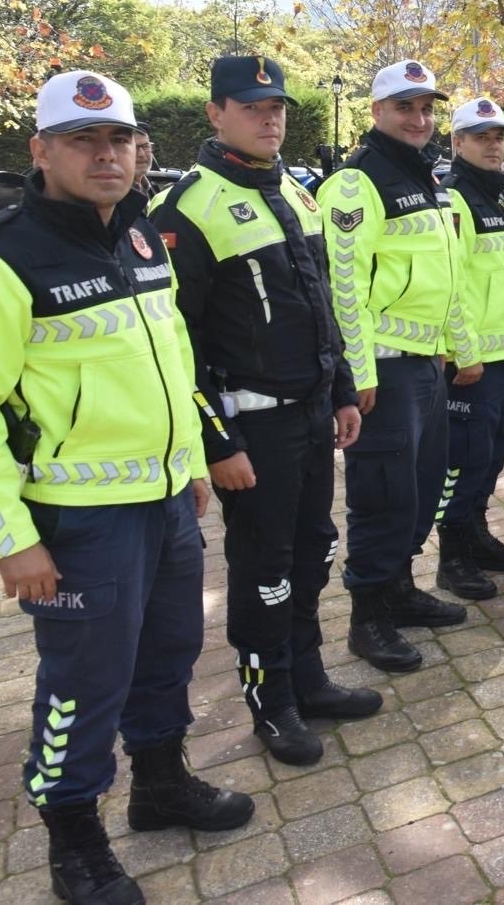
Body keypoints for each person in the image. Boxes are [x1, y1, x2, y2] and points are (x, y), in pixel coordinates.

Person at [0, 71, 252, 904]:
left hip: (164, 501)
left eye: (119, 139)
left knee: (168, 655)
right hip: (79, 521)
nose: (106, 156)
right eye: (84, 141)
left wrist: (191, 461)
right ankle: (73, 836)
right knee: (84, 683)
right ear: (41, 151)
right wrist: (11, 540)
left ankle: (160, 784)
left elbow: (171, 359)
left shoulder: (139, 237)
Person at [149, 55, 380, 768]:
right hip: (252, 427)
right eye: (252, 107)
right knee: (263, 568)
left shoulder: (295, 191)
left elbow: (322, 303)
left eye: (276, 105)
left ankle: (306, 678)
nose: (270, 117)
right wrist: (215, 443)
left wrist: (341, 388)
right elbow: (175, 345)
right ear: (216, 113)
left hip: (312, 415)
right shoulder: (187, 209)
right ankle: (270, 702)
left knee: (313, 552)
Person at [319, 60, 477, 674]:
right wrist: (359, 374)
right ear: (377, 111)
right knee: (381, 497)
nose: (419, 119)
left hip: (425, 365)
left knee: (421, 487)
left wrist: (458, 347)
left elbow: (447, 274)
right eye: (405, 107)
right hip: (382, 370)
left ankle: (400, 589)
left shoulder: (429, 180)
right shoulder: (357, 185)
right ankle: (368, 617)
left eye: (427, 108)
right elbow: (344, 287)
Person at [435, 96, 504, 597]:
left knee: (491, 453)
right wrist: (463, 352)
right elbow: (451, 282)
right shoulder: (454, 198)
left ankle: (475, 533)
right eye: (481, 137)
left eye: (498, 137)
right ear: (457, 144)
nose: (493, 145)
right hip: (474, 361)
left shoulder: (496, 196)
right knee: (464, 458)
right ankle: (451, 556)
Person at [133, 122, 155, 196]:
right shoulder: (114, 194)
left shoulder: (149, 187)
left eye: (146, 146)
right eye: (134, 147)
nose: (141, 154)